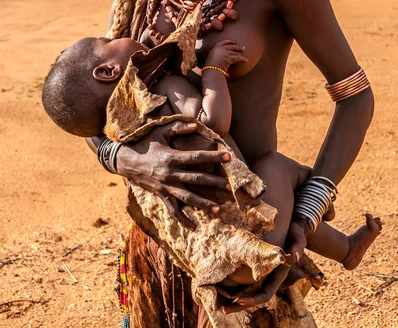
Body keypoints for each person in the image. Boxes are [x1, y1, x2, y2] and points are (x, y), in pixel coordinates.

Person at [82, 0, 375, 326]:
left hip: (245, 239)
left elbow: (355, 96)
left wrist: (302, 217)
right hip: (160, 244)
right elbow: (97, 108)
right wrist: (131, 161)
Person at [43, 34, 381, 288]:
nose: (121, 33)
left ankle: (345, 248)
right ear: (107, 70)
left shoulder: (125, 127)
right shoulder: (168, 86)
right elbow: (213, 121)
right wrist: (214, 69)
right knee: (273, 166)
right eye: (108, 40)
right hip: (247, 249)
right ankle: (315, 199)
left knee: (273, 198)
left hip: (211, 258)